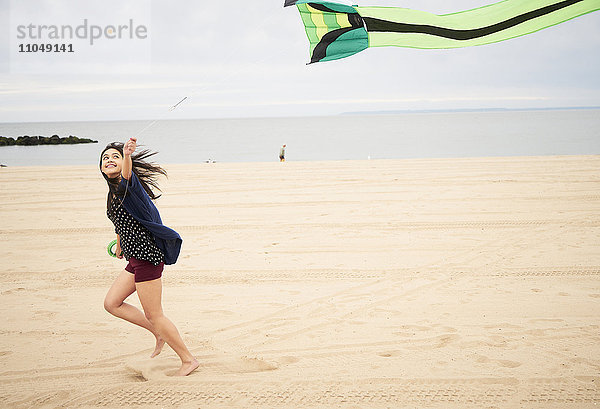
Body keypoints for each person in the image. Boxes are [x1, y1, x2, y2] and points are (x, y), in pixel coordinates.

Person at [99, 138, 199, 376]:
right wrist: (121, 244)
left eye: (115, 157)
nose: (110, 160)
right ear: (100, 168)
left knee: (155, 314)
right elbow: (120, 222)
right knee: (111, 303)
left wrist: (128, 154)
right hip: (133, 259)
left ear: (125, 164)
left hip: (147, 258)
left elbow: (127, 178)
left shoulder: (127, 186)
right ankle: (157, 332)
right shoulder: (112, 192)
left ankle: (188, 360)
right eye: (105, 158)